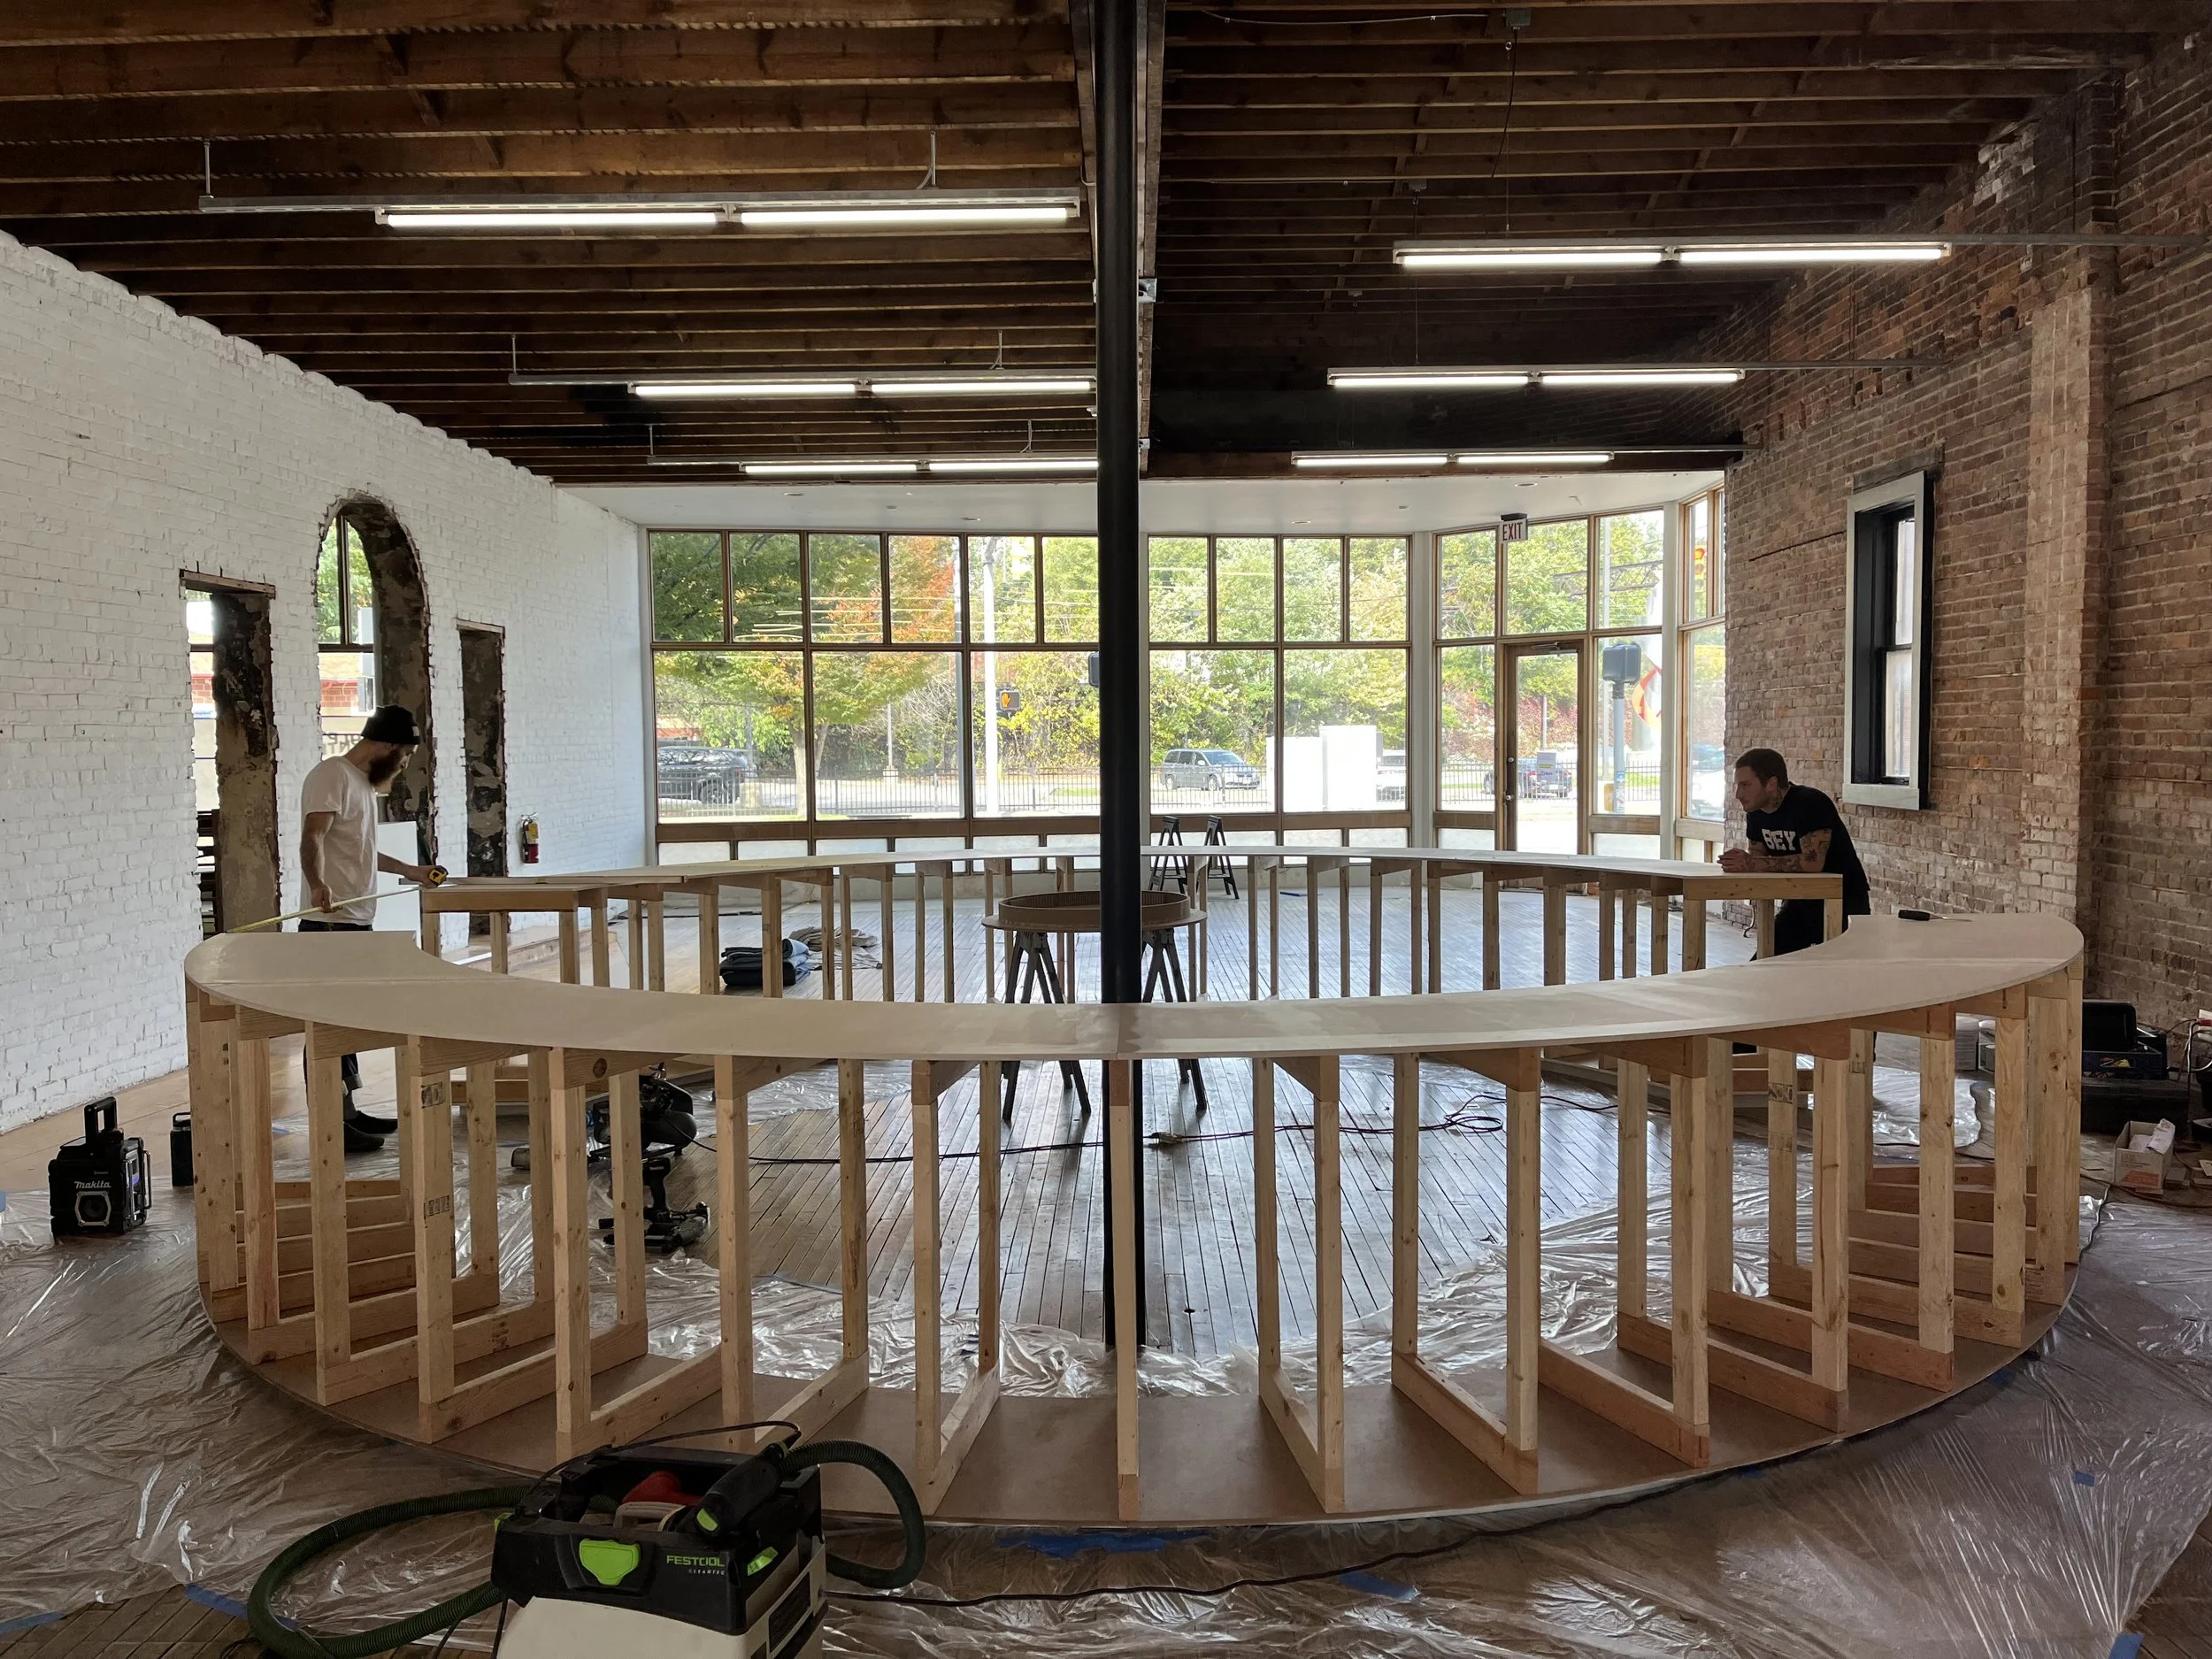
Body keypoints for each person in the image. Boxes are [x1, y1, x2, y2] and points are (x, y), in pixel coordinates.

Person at [298, 705, 438, 1150]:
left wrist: (411, 871)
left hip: (354, 921)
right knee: (326, 1024)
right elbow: (313, 837)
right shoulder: (332, 776)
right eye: (404, 755)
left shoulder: (360, 784)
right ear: (386, 746)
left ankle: (348, 1113)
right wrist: (318, 884)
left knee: (349, 1021)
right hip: (328, 925)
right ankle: (331, 1125)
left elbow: (361, 850)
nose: (404, 764)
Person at [1717, 748, 1871, 956]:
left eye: (1745, 785)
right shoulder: (1756, 813)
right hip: (1798, 902)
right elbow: (1757, 857)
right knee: (1763, 966)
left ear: (1771, 784)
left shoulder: (1809, 803)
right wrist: (1738, 862)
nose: (1738, 794)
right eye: (1737, 785)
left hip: (1843, 901)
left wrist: (1753, 863)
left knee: (1838, 976)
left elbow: (1812, 862)